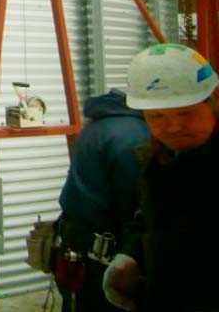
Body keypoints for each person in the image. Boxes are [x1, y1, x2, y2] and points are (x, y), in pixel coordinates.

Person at [102, 43, 219, 312]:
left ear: (212, 103)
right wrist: (130, 254)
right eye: (157, 116)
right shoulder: (159, 162)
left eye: (186, 112)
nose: (174, 126)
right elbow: (150, 216)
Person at [55, 88, 148, 312]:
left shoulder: (99, 124)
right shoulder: (134, 134)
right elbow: (133, 205)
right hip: (102, 257)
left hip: (76, 244)